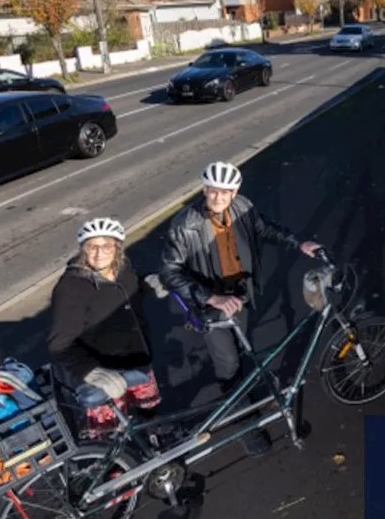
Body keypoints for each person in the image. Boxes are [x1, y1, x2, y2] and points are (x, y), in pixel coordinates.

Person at [158, 161, 322, 456]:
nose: (219, 197)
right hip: (211, 305)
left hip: (240, 295)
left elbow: (264, 228)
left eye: (226, 192)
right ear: (205, 190)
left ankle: (246, 397)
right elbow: (170, 273)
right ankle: (246, 426)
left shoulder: (243, 207)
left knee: (244, 353)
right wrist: (211, 298)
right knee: (228, 365)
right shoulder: (185, 224)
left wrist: (298, 243)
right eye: (213, 191)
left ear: (235, 193)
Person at [47, 217, 161, 440]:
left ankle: (154, 450)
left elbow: (129, 286)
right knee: (108, 433)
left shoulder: (123, 267)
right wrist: (92, 372)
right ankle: (114, 471)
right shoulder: (71, 287)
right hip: (107, 375)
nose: (100, 253)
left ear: (117, 247)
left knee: (150, 416)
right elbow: (59, 344)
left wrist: (147, 284)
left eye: (106, 245)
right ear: (83, 249)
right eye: (92, 246)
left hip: (138, 361)